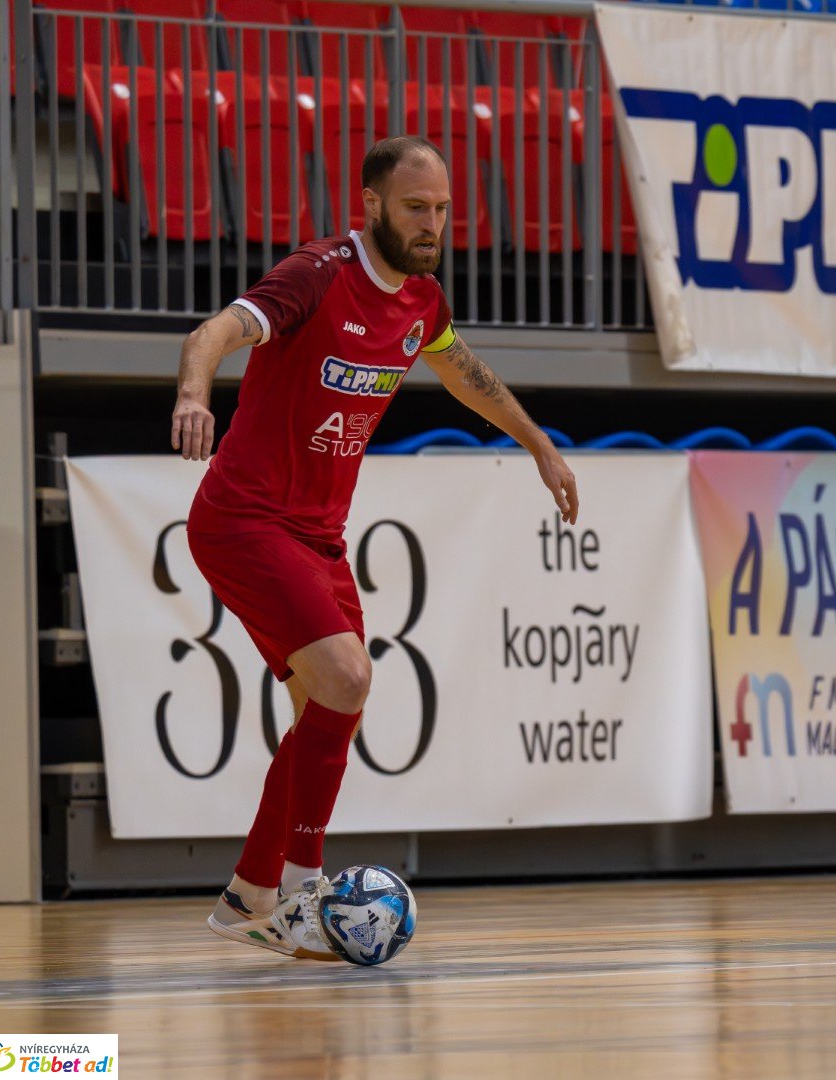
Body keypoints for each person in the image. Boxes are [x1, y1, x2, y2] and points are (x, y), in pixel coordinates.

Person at [172, 136, 577, 960]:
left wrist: (538, 443)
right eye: (414, 208)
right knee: (349, 677)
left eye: (441, 210)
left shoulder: (422, 301)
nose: (431, 224)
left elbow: (463, 372)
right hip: (245, 518)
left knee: (329, 707)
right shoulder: (317, 274)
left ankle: (245, 896)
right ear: (372, 205)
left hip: (319, 536)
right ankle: (296, 893)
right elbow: (213, 331)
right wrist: (192, 394)